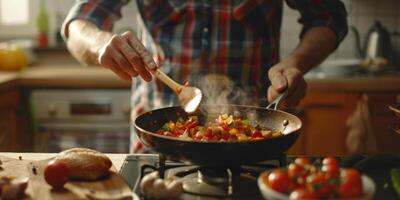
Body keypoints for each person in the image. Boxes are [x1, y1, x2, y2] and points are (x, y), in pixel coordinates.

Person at [62, 0, 348, 153]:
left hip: (254, 142)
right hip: (158, 141)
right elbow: (78, 24)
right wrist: (101, 44)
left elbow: (328, 18)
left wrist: (294, 62)